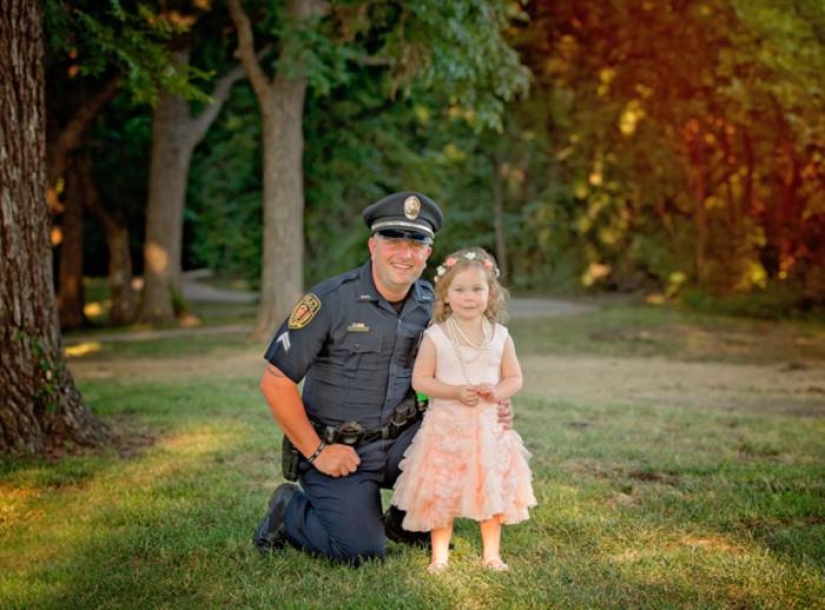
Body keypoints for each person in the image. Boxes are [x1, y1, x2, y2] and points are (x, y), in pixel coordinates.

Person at [253, 192, 514, 565]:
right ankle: (287, 510)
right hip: (339, 448)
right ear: (372, 244)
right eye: (393, 240)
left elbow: (471, 368)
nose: (404, 254)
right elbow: (275, 379)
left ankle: (405, 522)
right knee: (360, 552)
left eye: (416, 243)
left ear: (428, 253)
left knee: (467, 451)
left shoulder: (434, 306)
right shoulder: (331, 301)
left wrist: (497, 406)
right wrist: (318, 452)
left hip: (404, 442)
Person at [391, 247, 536, 573]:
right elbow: (421, 380)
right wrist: (454, 391)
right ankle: (439, 555)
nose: (469, 297)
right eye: (460, 290)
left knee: (490, 487)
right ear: (445, 295)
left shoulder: (500, 336)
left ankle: (492, 554)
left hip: (489, 428)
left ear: (491, 293)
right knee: (442, 490)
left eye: (477, 290)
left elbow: (515, 377)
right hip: (446, 428)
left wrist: (497, 391)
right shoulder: (437, 336)